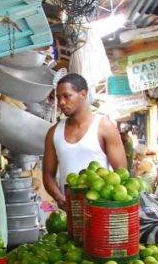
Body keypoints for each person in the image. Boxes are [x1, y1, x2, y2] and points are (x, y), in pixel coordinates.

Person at [42, 73, 128, 207]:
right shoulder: (53, 133)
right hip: (71, 212)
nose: (61, 102)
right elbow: (48, 175)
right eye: (58, 98)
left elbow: (122, 173)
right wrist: (60, 198)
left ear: (83, 94)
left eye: (66, 96)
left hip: (101, 210)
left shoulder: (104, 127)